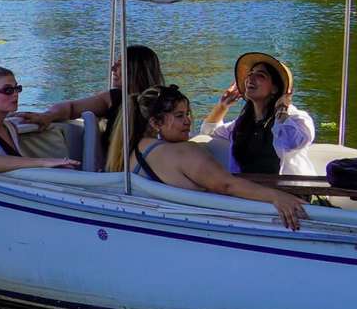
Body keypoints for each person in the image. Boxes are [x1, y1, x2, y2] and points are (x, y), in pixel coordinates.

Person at [130, 85, 309, 231]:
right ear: (155, 123)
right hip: (200, 228)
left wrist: (222, 107)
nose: (188, 121)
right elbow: (226, 185)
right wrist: (277, 197)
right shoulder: (185, 152)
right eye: (179, 116)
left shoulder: (138, 147)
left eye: (187, 114)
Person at [15, 44, 165, 172]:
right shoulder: (114, 98)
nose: (113, 68)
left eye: (120, 64)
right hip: (122, 172)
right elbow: (71, 108)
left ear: (136, 69)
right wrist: (48, 116)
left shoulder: (164, 101)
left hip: (152, 165)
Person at [200, 52, 317, 176]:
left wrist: (281, 110)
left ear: (275, 89)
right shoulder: (244, 123)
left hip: (288, 187)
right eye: (250, 74)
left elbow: (292, 143)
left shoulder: (297, 118)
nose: (250, 78)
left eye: (260, 75)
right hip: (248, 186)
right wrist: (222, 106)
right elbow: (209, 131)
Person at [0, 66, 80, 173]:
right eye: (8, 90)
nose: (15, 94)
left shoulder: (7, 126)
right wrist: (44, 162)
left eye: (17, 88)